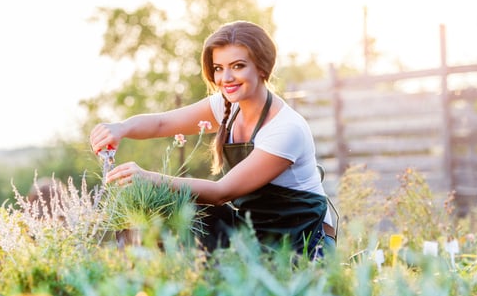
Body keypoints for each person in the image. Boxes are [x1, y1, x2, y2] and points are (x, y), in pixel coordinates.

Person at [89, 20, 336, 258]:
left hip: (299, 242)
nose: (226, 78)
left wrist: (149, 177)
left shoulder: (286, 128)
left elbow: (221, 192)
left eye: (238, 66)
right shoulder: (227, 106)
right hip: (252, 229)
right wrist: (121, 127)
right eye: (218, 68)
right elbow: (162, 123)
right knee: (169, 209)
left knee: (184, 202)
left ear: (262, 67)